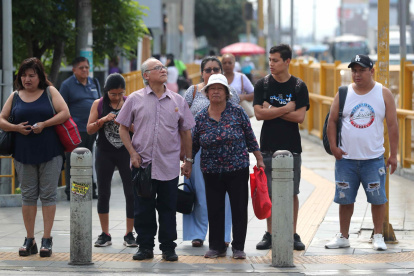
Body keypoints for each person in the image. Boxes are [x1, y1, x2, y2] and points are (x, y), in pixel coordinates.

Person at [116, 57, 195, 262]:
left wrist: (188, 160)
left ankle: (168, 248)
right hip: (143, 165)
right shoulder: (134, 98)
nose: (163, 70)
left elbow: (186, 132)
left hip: (168, 165)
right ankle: (145, 247)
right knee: (143, 208)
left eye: (163, 67)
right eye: (157, 68)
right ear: (146, 75)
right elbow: (122, 128)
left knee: (168, 208)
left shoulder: (177, 100)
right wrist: (132, 153)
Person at [325, 54, 398, 251]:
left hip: (373, 160)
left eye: (361, 70)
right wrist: (333, 146)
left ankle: (378, 235)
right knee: (344, 198)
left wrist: (394, 155)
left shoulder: (383, 94)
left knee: (378, 198)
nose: (357, 75)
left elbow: (392, 125)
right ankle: (343, 235)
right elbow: (332, 120)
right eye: (354, 70)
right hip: (346, 160)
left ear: (371, 71)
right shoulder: (343, 93)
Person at [0, 57, 70, 257]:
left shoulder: (50, 92)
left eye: (31, 75)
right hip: (23, 154)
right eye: (23, 75)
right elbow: (1, 119)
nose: (27, 79)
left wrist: (44, 124)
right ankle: (29, 239)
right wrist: (15, 128)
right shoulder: (15, 96)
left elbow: (65, 113)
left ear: (40, 77)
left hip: (50, 152)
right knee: (28, 196)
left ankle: (46, 239)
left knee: (48, 195)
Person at [192, 74, 265, 259]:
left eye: (220, 88)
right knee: (214, 208)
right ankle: (217, 246)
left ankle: (238, 247)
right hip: (211, 170)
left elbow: (250, 137)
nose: (216, 92)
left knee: (239, 208)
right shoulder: (200, 117)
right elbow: (193, 144)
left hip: (237, 168)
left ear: (226, 93)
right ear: (207, 93)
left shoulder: (237, 112)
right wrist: (187, 162)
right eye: (212, 89)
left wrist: (259, 158)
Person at [253, 44, 309, 251]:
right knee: (269, 193)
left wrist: (271, 108)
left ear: (287, 61)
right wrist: (285, 108)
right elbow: (258, 114)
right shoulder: (263, 85)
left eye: (275, 60)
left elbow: (300, 117)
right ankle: (270, 233)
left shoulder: (298, 87)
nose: (271, 64)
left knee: (292, 192)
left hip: (292, 147)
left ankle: (292, 233)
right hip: (268, 147)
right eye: (270, 60)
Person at [183, 56, 240, 248]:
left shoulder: (230, 92)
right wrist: (185, 154)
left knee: (223, 196)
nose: (212, 73)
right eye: (208, 70)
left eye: (216, 69)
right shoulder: (192, 92)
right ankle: (197, 234)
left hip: (226, 155)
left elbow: (238, 120)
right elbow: (182, 123)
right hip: (197, 150)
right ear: (201, 73)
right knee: (198, 194)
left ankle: (224, 236)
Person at [86, 73, 136, 248]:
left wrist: (123, 123)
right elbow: (89, 129)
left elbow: (138, 129)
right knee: (103, 193)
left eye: (119, 93)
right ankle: (105, 233)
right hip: (104, 152)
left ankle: (130, 233)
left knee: (131, 193)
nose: (116, 97)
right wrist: (103, 119)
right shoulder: (98, 104)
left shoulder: (130, 102)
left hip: (126, 151)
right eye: (112, 94)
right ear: (106, 91)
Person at [60, 57, 101, 200]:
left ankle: (91, 190)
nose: (85, 70)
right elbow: (61, 108)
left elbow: (100, 103)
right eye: (81, 67)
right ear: (74, 70)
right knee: (75, 161)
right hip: (75, 131)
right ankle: (74, 193)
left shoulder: (94, 82)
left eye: (87, 67)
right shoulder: (67, 85)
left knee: (91, 161)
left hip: (93, 129)